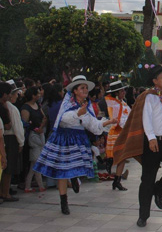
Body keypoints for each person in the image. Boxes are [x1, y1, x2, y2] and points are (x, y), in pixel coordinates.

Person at [112, 65, 162, 228]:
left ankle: (158, 191)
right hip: (153, 142)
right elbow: (145, 118)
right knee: (147, 179)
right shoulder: (148, 97)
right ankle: (143, 216)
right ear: (155, 81)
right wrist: (151, 138)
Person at [33, 75, 117, 215]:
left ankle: (75, 179)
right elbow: (63, 119)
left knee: (78, 164)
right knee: (62, 172)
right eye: (82, 88)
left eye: (86, 88)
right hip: (64, 138)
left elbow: (92, 124)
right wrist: (78, 113)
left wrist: (107, 122)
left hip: (78, 139)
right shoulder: (67, 104)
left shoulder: (86, 105)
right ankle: (63, 201)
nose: (85, 90)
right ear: (75, 91)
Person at [105, 81, 131, 191]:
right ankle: (109, 164)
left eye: (124, 90)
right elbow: (118, 121)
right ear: (116, 93)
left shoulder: (122, 103)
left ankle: (117, 181)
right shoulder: (113, 104)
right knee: (118, 156)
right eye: (121, 91)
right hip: (116, 133)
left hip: (123, 133)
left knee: (122, 158)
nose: (124, 92)